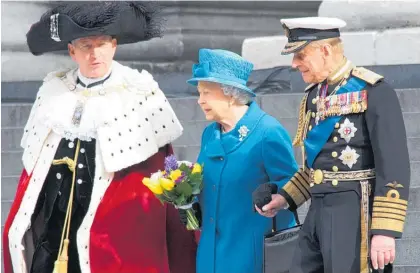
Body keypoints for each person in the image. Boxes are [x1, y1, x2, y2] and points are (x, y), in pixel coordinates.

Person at [2, 2, 197, 273]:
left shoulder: (139, 93)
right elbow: (33, 168)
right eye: (86, 45)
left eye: (102, 44)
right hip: (54, 223)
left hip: (111, 230)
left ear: (114, 46)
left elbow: (159, 170)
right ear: (71, 51)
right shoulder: (53, 91)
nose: (95, 54)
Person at [253, 17, 410, 273]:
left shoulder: (373, 92)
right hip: (317, 210)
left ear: (324, 50)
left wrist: (385, 230)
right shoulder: (314, 96)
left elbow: (393, 167)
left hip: (354, 211)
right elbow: (314, 166)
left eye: (301, 55)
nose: (294, 64)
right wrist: (283, 198)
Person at [182, 48, 298, 273]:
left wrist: (278, 197)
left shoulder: (267, 132)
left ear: (230, 93)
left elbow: (293, 185)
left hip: (252, 258)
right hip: (211, 257)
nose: (199, 100)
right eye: (199, 93)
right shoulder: (210, 134)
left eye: (206, 92)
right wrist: (187, 197)